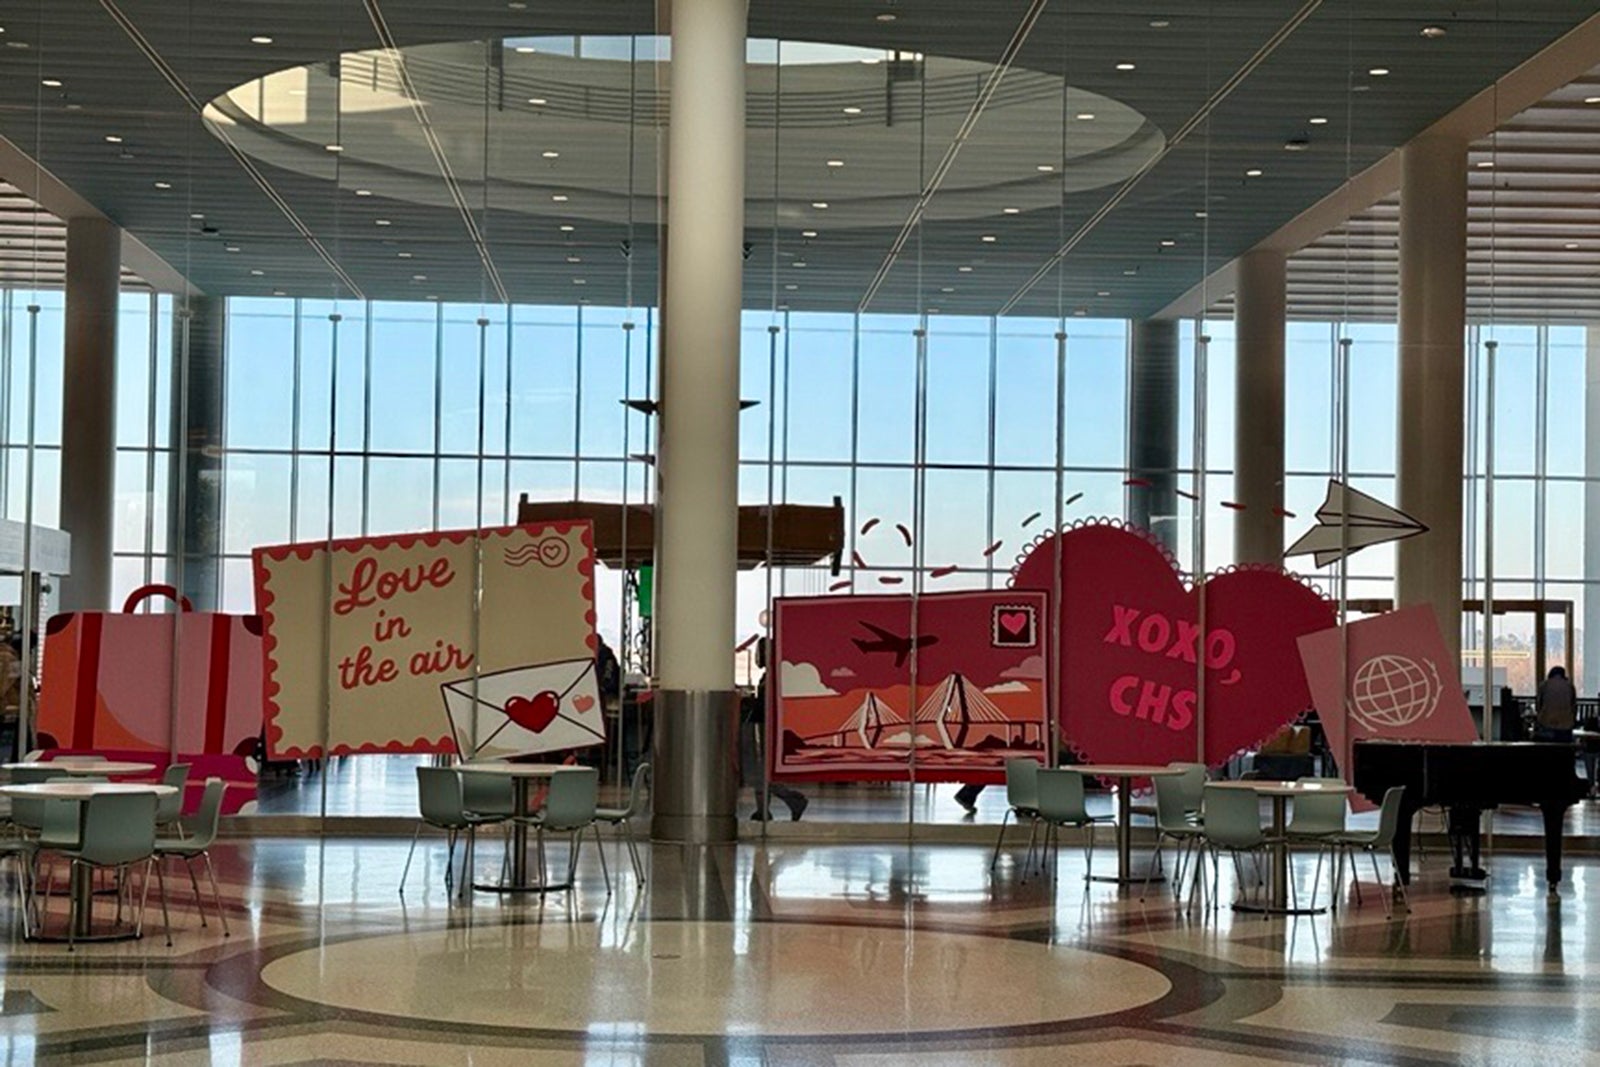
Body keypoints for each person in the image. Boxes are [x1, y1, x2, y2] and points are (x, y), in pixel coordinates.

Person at [744, 639, 807, 821]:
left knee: (761, 771)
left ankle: (789, 800)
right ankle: (766, 808)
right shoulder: (771, 675)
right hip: (763, 725)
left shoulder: (773, 676)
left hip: (766, 727)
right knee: (761, 771)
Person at [1535, 666, 1577, 744]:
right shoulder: (1569, 686)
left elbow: (1539, 705)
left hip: (1546, 723)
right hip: (1565, 725)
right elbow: (1573, 706)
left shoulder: (1544, 685)